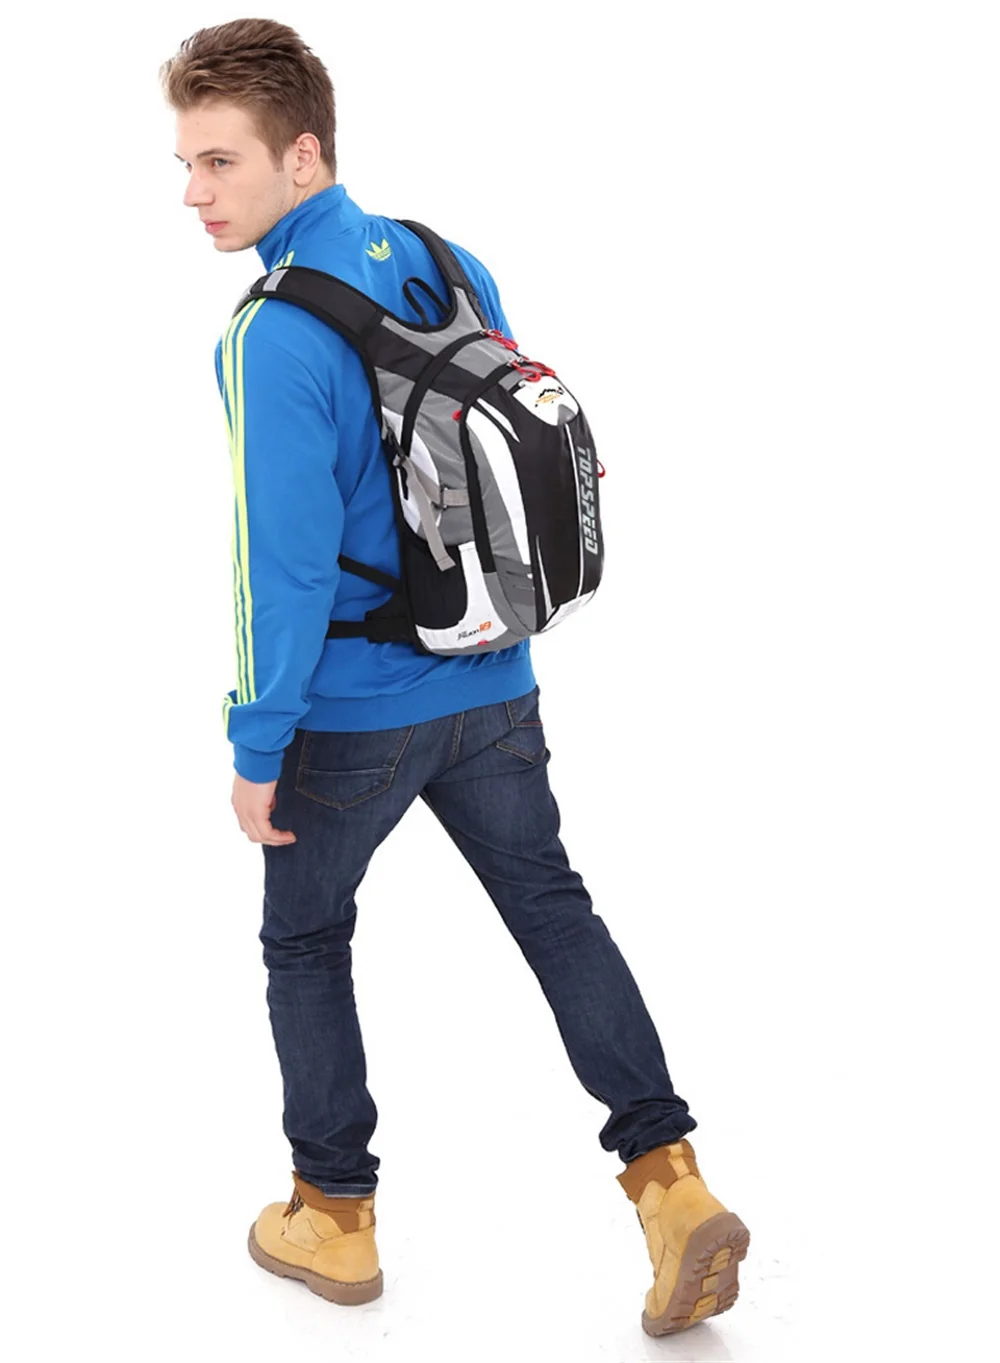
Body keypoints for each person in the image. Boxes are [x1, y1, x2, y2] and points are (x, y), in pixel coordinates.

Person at [160, 17, 749, 1338]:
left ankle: (334, 1212)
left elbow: (280, 571)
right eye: (186, 163)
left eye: (218, 161)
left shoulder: (270, 334)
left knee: (305, 940)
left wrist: (256, 743)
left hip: (353, 715)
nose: (193, 192)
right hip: (494, 682)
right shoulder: (442, 255)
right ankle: (671, 1184)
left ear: (304, 156)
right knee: (555, 912)